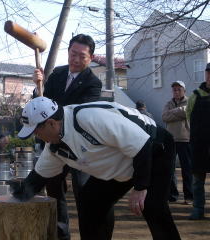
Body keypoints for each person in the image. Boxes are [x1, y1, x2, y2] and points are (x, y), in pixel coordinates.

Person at [11, 96, 181, 240]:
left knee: (152, 206)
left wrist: (141, 187)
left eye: (36, 131)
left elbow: (141, 144)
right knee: (91, 201)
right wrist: (14, 198)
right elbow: (37, 178)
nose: (36, 137)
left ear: (51, 123)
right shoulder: (54, 147)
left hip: (154, 148)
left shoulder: (88, 118)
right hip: (121, 163)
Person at [33, 34, 103, 240]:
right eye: (73, 54)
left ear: (90, 58)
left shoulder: (93, 83)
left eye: (81, 56)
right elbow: (40, 105)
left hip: (78, 145)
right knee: (54, 190)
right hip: (54, 143)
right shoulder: (56, 74)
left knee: (83, 192)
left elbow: (77, 113)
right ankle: (62, 235)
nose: (75, 59)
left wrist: (51, 111)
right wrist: (38, 87)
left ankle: (88, 235)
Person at [162, 81, 193, 205]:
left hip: (186, 139)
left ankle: (189, 197)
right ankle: (173, 195)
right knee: (170, 169)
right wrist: (179, 112)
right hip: (171, 140)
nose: (176, 91)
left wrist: (173, 112)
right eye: (174, 89)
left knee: (187, 170)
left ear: (184, 91)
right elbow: (164, 117)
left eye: (179, 89)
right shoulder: (168, 103)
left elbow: (187, 112)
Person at [186, 63, 210, 220]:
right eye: (208, 73)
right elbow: (188, 116)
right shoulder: (195, 95)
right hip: (199, 144)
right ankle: (198, 209)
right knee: (197, 180)